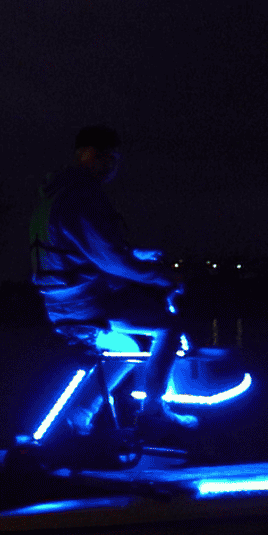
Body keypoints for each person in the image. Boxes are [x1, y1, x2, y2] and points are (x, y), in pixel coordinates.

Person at [29, 126, 195, 431]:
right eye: (108, 158)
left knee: (129, 348)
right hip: (87, 305)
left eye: (115, 159)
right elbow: (113, 261)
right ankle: (154, 410)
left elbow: (82, 251)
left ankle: (81, 412)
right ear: (88, 155)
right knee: (169, 328)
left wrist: (138, 254)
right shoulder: (83, 197)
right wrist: (161, 276)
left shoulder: (52, 198)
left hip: (59, 304)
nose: (112, 167)